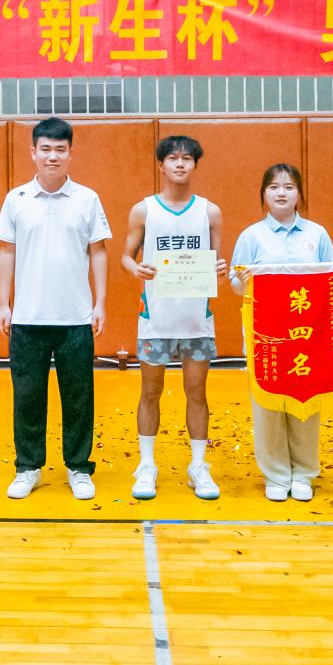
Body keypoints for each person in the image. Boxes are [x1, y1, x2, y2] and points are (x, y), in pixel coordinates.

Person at [0, 117, 111, 500]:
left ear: (70, 153)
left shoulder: (87, 199)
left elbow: (98, 251)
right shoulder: (16, 199)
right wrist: (4, 303)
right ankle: (28, 467)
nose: (52, 156)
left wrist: (100, 303)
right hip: (27, 318)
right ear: (33, 152)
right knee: (27, 396)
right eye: (45, 149)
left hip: (75, 317)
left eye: (60, 149)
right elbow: (6, 251)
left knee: (79, 397)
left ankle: (78, 467)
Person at [229, 163, 333, 503]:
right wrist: (244, 279)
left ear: (299, 194)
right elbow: (235, 285)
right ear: (263, 194)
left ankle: (304, 473)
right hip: (266, 338)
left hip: (308, 339)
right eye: (274, 187)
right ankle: (277, 475)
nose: (281, 193)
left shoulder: (317, 234)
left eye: (289, 187)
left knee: (306, 404)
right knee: (268, 406)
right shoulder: (251, 236)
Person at [119, 135, 227, 500]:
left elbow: (216, 263)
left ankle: (198, 465)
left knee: (197, 392)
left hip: (197, 320)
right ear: (161, 165)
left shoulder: (210, 212)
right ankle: (147, 464)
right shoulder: (144, 210)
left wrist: (220, 269)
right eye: (173, 158)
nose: (180, 164)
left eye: (187, 158)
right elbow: (126, 256)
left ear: (195, 164)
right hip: (156, 319)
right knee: (150, 392)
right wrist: (135, 268)